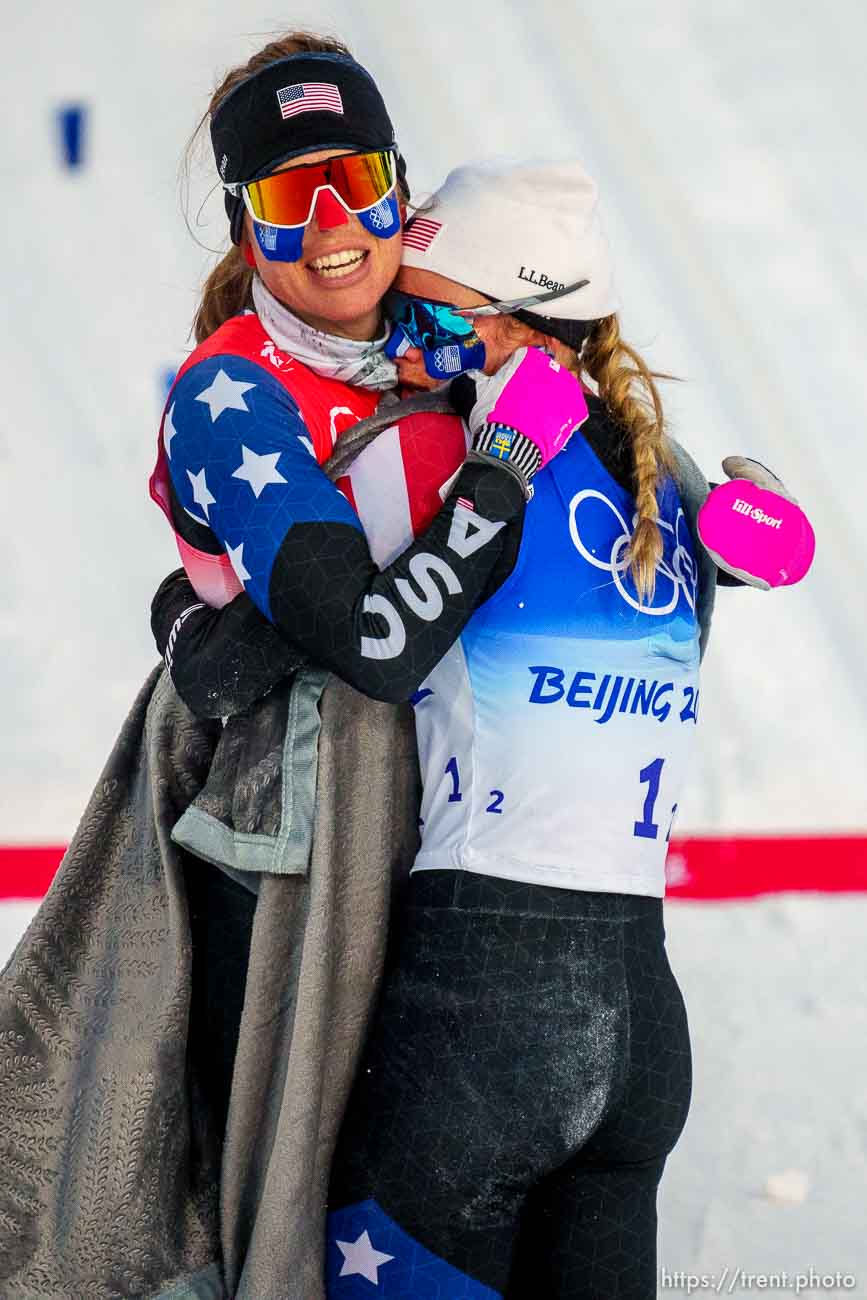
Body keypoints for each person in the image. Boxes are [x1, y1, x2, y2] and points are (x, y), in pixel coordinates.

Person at [151, 37, 813, 1300]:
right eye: (292, 198)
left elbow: (363, 634)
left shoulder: (471, 423)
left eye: (359, 182)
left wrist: (204, 626)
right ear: (242, 226)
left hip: (473, 986)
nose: (340, 227)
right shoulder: (242, 392)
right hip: (539, 967)